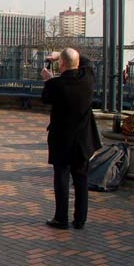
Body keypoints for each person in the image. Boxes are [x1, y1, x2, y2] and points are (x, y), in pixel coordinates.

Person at [40, 48, 97, 230]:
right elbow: (86, 61)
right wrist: (61, 55)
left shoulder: (56, 84)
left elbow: (45, 99)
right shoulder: (87, 79)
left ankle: (61, 218)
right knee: (81, 179)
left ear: (61, 64)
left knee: (62, 178)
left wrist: (49, 80)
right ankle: (80, 219)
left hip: (61, 138)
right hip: (83, 139)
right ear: (78, 63)